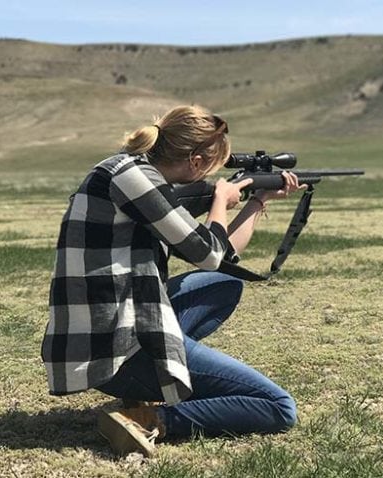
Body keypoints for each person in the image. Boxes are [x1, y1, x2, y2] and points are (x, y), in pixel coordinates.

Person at [41, 105, 302, 456]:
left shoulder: (130, 171)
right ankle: (149, 420)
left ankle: (155, 379)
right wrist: (222, 199)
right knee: (278, 405)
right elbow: (208, 253)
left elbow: (221, 259)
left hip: (113, 329)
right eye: (210, 166)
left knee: (222, 285)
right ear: (195, 161)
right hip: (113, 349)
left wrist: (257, 200)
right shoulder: (133, 178)